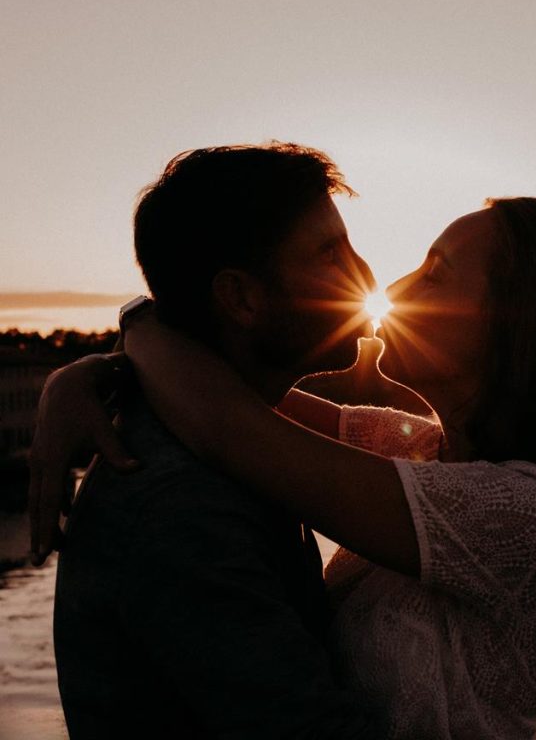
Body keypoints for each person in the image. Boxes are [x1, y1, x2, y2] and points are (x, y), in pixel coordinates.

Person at [33, 193, 536, 740]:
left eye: (435, 275)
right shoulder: (416, 448)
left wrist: (137, 325)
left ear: (521, 321)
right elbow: (245, 397)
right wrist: (94, 373)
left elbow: (230, 429)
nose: (392, 291)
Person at [32, 144, 380, 740]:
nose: (366, 275)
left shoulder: (236, 449)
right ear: (240, 298)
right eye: (329, 253)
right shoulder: (184, 508)